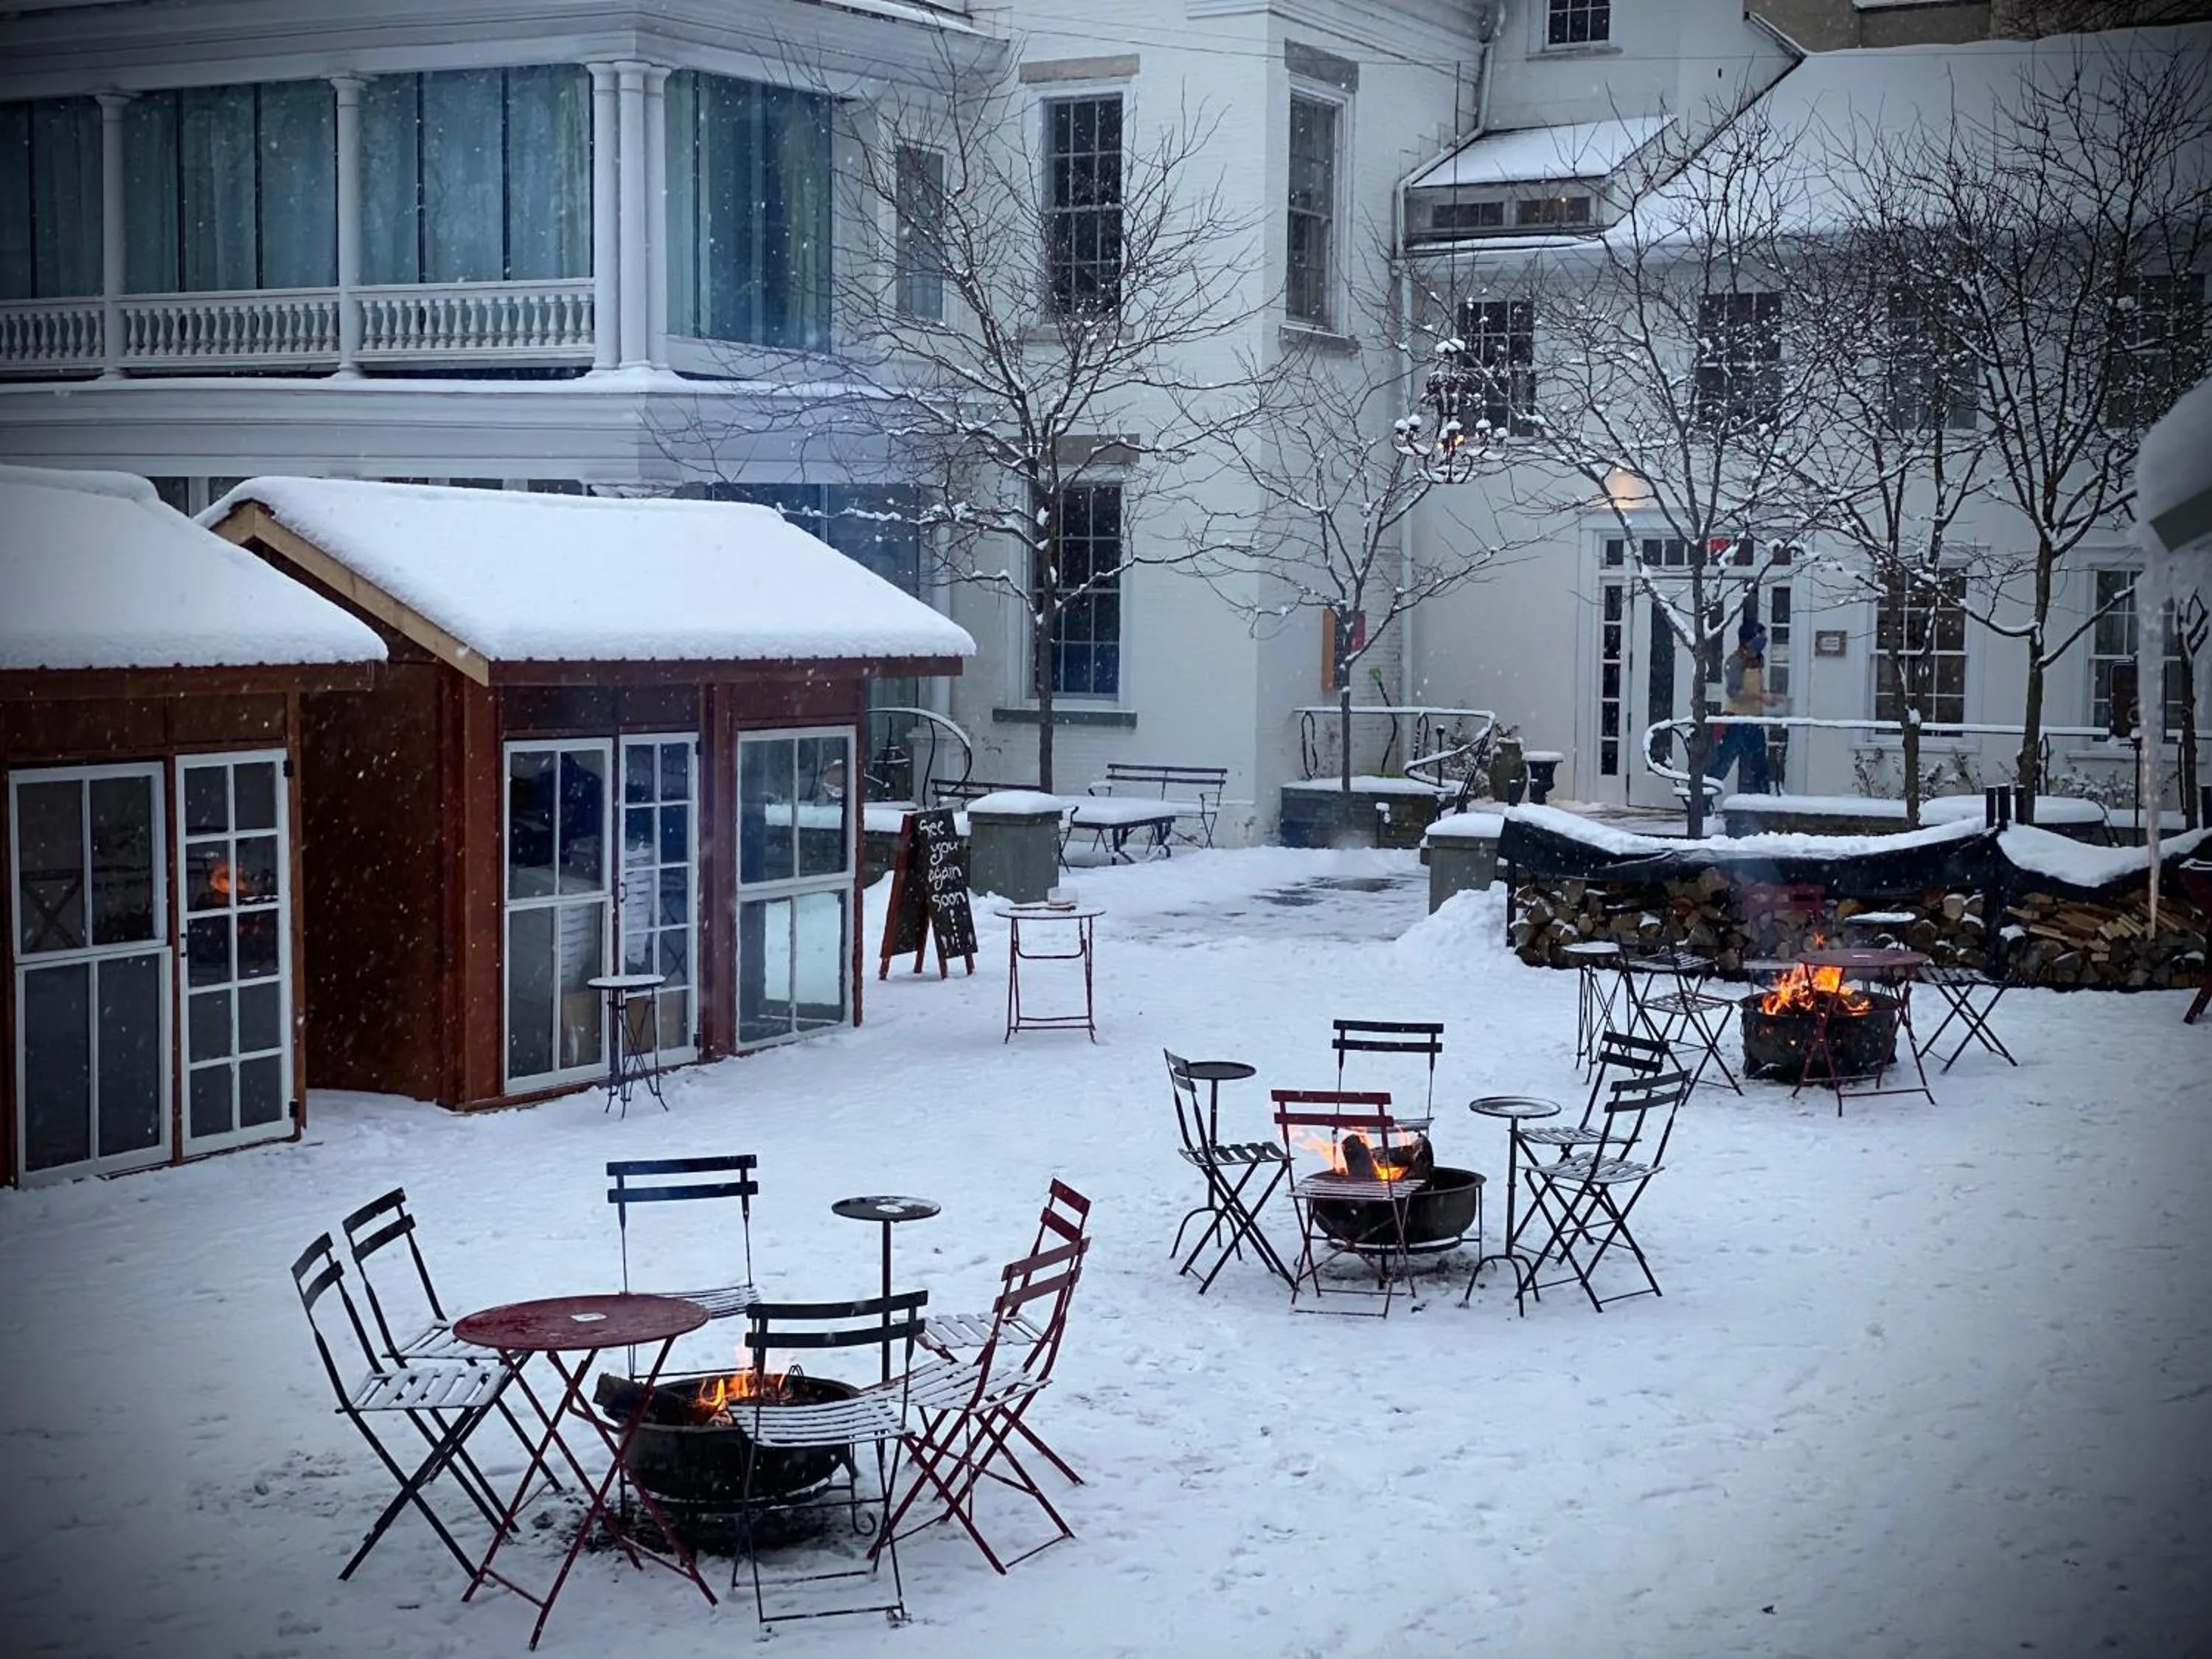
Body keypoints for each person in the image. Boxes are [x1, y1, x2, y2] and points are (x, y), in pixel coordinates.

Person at [1705, 619, 1783, 795]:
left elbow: (1756, 689)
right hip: (1735, 721)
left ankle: (1762, 807)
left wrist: (1770, 697)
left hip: (1753, 721)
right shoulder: (1735, 662)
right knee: (1721, 766)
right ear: (1748, 640)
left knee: (1759, 768)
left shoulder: (1757, 661)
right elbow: (1734, 693)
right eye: (1760, 637)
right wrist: (1760, 697)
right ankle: (1702, 802)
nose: (1763, 641)